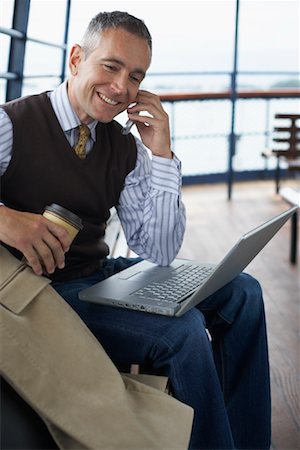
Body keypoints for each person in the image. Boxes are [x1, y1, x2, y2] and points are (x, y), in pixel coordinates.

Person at [0, 10, 271, 450]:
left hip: (95, 274)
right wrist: (6, 220)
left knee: (243, 292)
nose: (122, 88)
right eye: (111, 66)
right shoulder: (11, 124)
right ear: (75, 59)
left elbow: (157, 248)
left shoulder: (123, 145)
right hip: (36, 297)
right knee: (182, 333)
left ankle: (250, 442)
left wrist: (161, 152)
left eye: (135, 76)